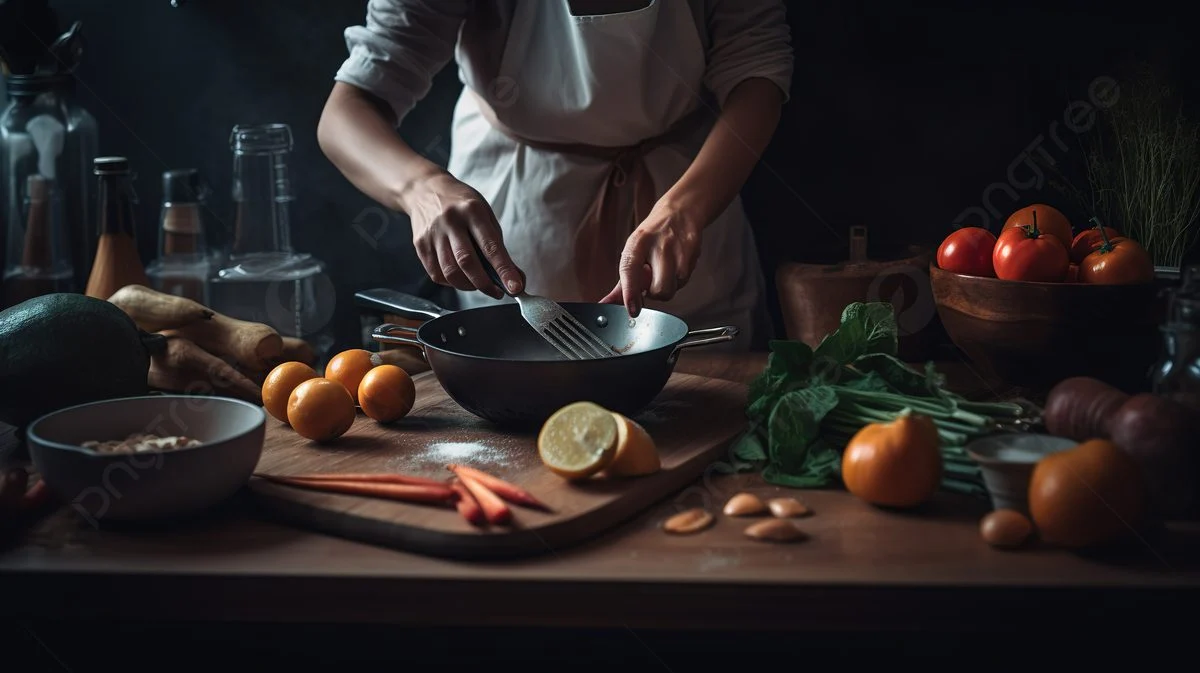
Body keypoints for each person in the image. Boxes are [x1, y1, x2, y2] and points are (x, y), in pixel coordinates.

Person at [318, 0, 793, 350]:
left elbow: (756, 72)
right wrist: (421, 187)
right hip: (520, 208)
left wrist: (684, 209)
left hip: (689, 192)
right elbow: (347, 112)